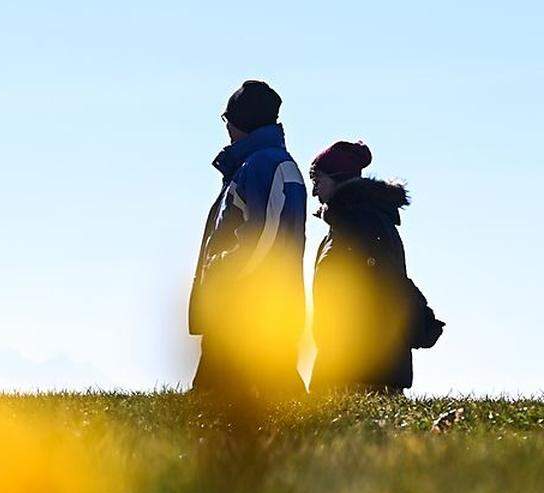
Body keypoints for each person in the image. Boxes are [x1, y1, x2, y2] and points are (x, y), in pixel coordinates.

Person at [188, 81, 308, 397]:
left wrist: (223, 268)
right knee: (271, 400)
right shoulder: (269, 163)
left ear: (238, 121)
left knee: (219, 403)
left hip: (246, 308)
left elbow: (261, 235)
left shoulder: (261, 164)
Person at [308, 141, 443, 393]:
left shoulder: (362, 224)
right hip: (350, 369)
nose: (314, 192)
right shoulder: (349, 225)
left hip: (364, 373)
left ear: (337, 179)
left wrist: (420, 323)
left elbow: (388, 286)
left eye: (318, 180)